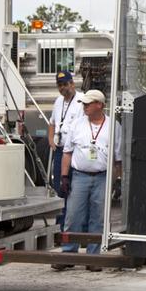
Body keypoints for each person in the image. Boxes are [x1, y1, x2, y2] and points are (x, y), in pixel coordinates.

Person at [60, 89, 123, 256]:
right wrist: (64, 176)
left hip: (103, 177)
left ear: (99, 105)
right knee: (73, 216)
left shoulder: (113, 126)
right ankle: (68, 253)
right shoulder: (77, 124)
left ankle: (93, 256)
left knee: (98, 218)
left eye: (88, 104)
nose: (84, 107)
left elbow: (118, 159)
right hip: (80, 176)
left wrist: (117, 180)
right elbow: (67, 152)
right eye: (84, 104)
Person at [47, 70, 83, 224]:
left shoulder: (82, 100)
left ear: (72, 84)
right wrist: (50, 139)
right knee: (59, 188)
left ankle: (74, 224)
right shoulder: (58, 101)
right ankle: (60, 226)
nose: (62, 88)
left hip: (75, 152)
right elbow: (52, 122)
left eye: (65, 84)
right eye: (59, 85)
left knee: (73, 188)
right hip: (60, 151)